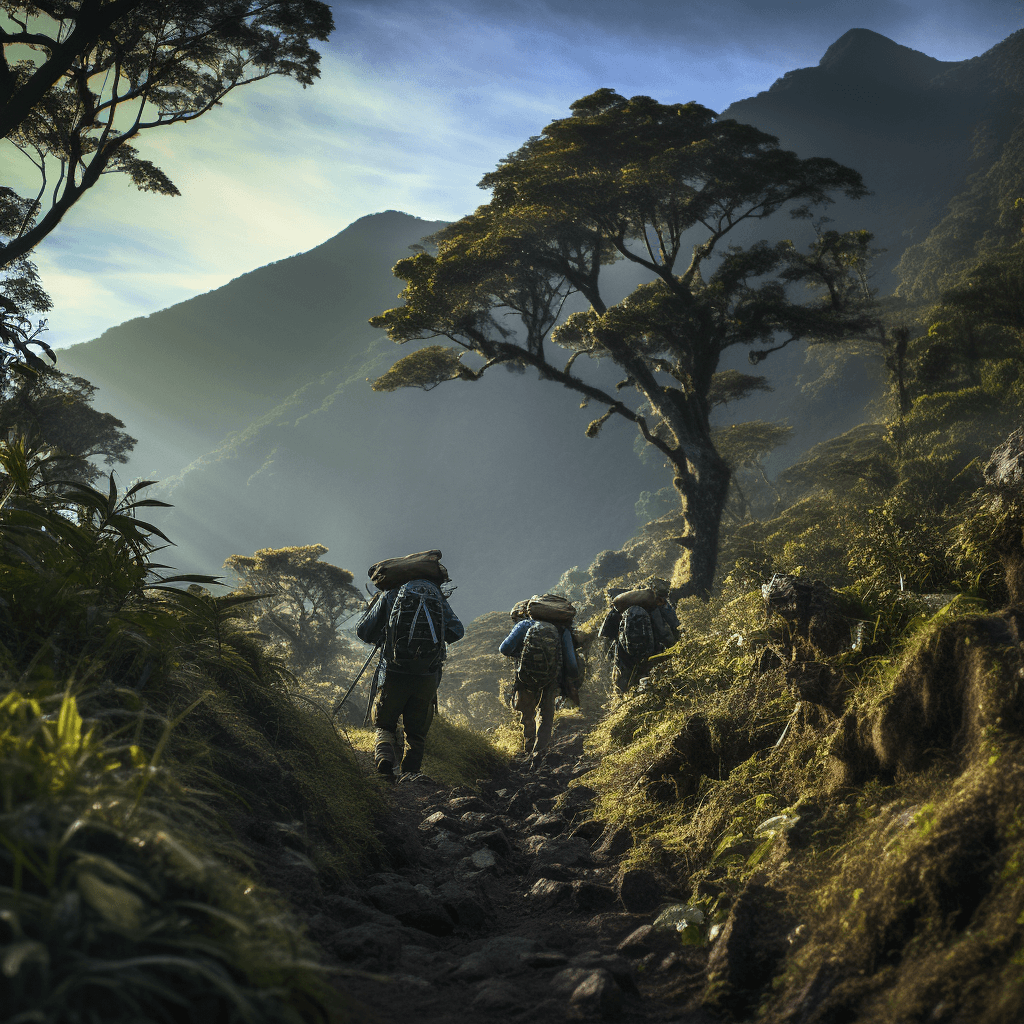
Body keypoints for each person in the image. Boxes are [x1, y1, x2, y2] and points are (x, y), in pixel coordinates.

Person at [356, 576, 464, 777]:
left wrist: (386, 634)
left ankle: (385, 761)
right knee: (416, 733)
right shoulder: (436, 596)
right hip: (427, 675)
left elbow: (363, 631)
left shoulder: (390, 594)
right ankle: (411, 776)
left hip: (393, 672)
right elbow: (457, 631)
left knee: (384, 723)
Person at [500, 603, 579, 760]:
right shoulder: (562, 629)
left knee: (527, 712)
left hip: (526, 677)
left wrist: (522, 656)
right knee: (546, 714)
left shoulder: (524, 625)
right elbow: (571, 664)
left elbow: (504, 649)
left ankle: (528, 748)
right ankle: (539, 753)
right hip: (550, 679)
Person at [600, 577, 681, 693]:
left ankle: (622, 696)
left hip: (627, 657)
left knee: (624, 681)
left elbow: (606, 637)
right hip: (654, 652)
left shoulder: (618, 611)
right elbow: (673, 626)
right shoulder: (656, 605)